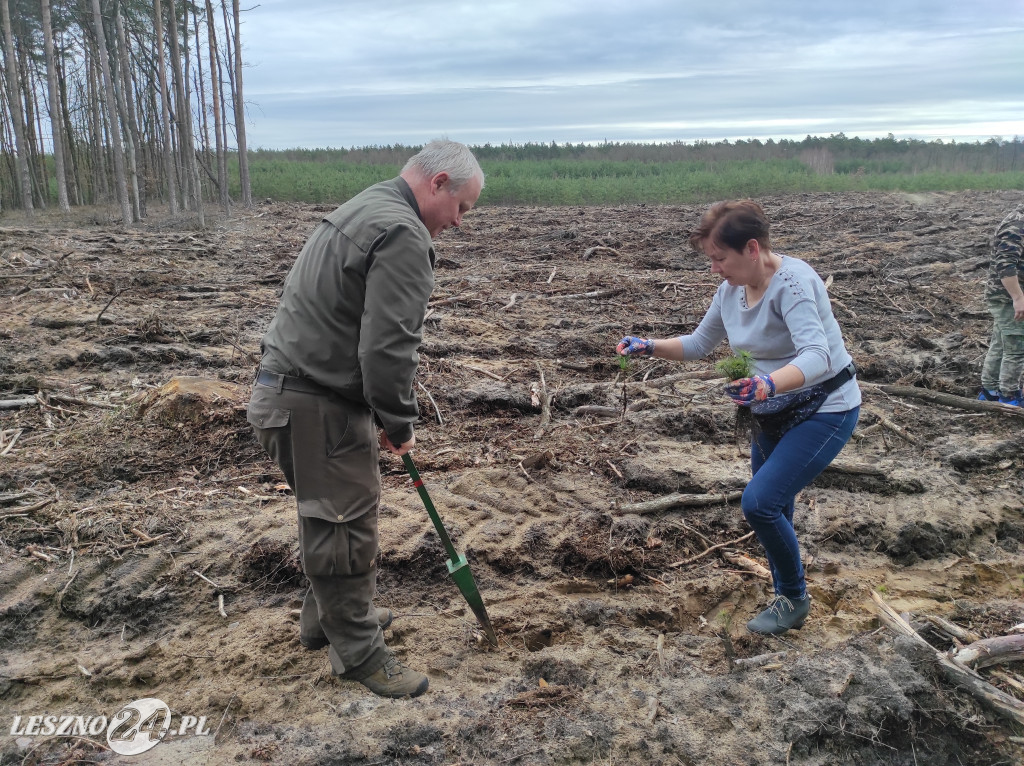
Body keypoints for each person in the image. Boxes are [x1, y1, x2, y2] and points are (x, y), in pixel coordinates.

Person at [247, 139, 484, 697]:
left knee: (329, 516)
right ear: (439, 183)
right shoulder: (403, 233)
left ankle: (324, 621)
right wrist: (398, 422)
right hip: (315, 404)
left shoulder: (366, 205)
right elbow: (387, 349)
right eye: (462, 209)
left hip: (285, 394)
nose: (458, 223)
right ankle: (357, 652)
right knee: (346, 529)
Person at [616, 199, 861, 636]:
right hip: (771, 411)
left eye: (719, 258)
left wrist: (767, 384)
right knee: (776, 504)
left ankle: (793, 597)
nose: (714, 269)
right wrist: (649, 345)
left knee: (760, 503)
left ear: (751, 248)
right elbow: (698, 344)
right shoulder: (730, 289)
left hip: (825, 407)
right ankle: (785, 588)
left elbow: (818, 355)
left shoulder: (794, 284)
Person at [977, 203, 1024, 407]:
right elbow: (1005, 264)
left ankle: (989, 392)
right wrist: (1018, 298)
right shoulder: (1017, 224)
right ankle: (1009, 397)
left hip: (1009, 296)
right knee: (1016, 347)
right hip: (1008, 297)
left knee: (1000, 343)